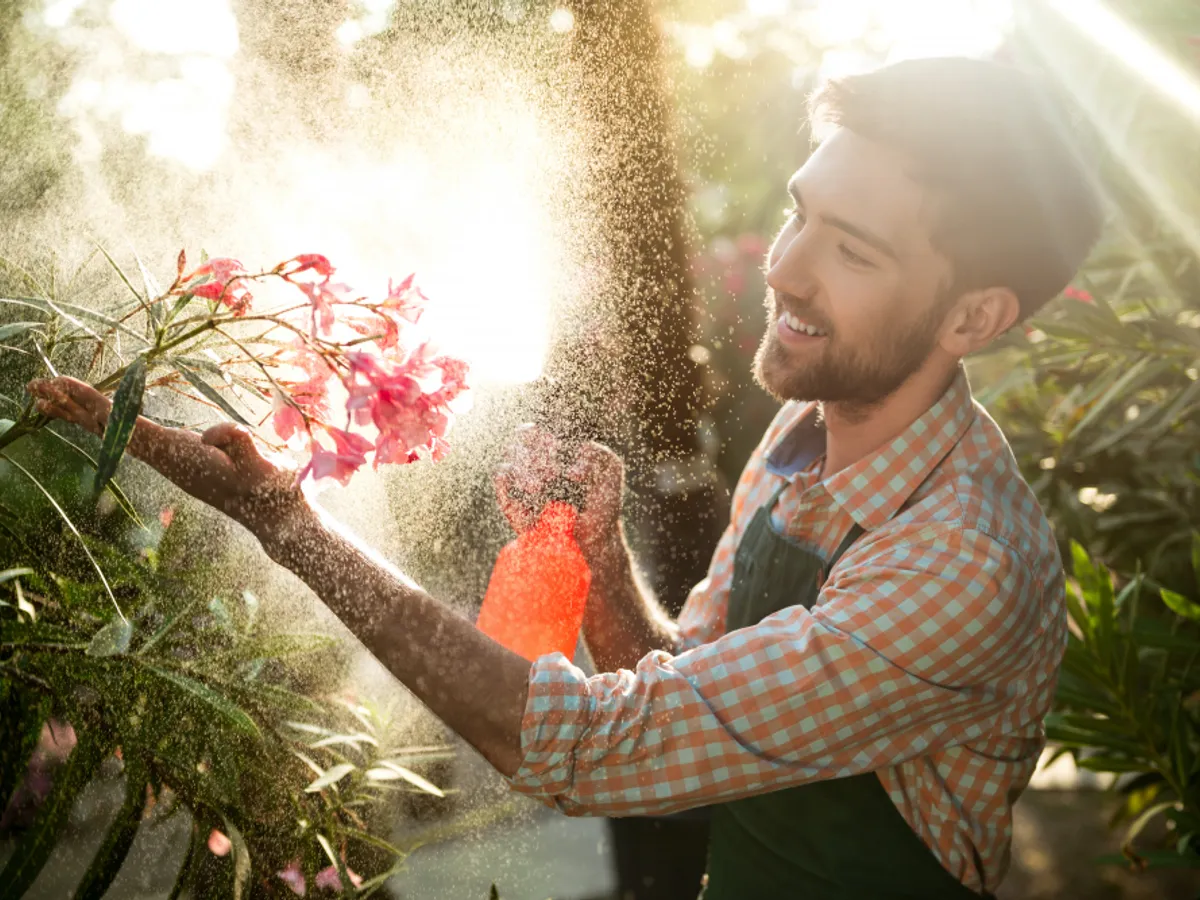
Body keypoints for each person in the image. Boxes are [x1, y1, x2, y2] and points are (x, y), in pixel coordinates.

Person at [27, 56, 1102, 899]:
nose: (783, 266)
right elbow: (699, 686)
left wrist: (287, 522)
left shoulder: (961, 565)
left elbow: (590, 754)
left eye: (853, 250)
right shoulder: (804, 431)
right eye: (798, 211)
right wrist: (602, 565)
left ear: (975, 317)